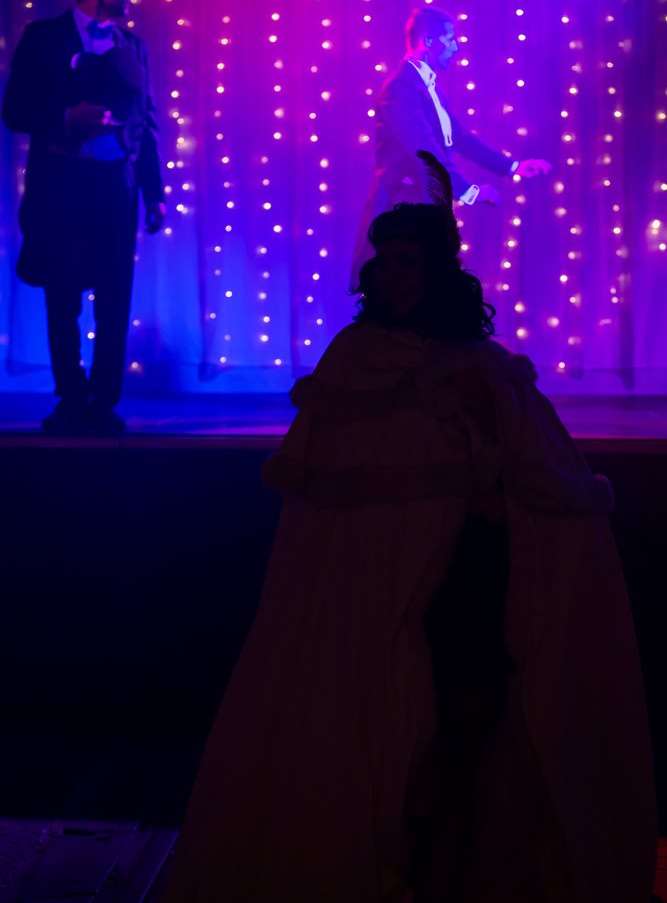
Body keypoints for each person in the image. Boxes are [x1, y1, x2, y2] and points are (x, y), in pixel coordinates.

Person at [162, 161, 655, 903]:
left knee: (458, 749)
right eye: (384, 262)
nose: (391, 278)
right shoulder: (357, 358)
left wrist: (492, 486)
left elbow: (523, 472)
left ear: (437, 270)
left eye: (407, 263)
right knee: (391, 739)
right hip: (372, 588)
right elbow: (323, 479)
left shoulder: (477, 368)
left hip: (462, 585)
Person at [2, 0, 165, 435]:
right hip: (63, 186)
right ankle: (71, 398)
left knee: (115, 296)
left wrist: (154, 192)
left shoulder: (134, 45)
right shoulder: (43, 38)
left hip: (116, 188)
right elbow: (14, 110)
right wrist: (64, 118)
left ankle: (104, 401)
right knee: (63, 294)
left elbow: (146, 123)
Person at [352, 5, 551, 280]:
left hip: (422, 207)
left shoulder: (426, 86)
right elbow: (424, 150)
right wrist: (468, 191)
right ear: (428, 41)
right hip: (401, 210)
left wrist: (513, 167)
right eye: (450, 39)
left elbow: (460, 138)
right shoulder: (401, 88)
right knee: (404, 290)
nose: (455, 48)